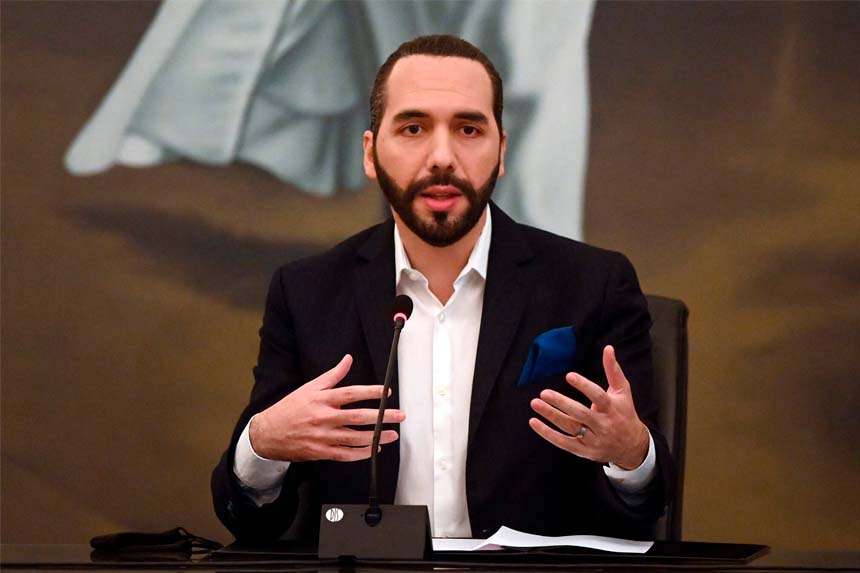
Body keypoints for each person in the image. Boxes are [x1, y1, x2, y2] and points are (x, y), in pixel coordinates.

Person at [212, 35, 672, 543]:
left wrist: (632, 455)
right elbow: (251, 520)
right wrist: (262, 446)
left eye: (468, 129)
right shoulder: (307, 292)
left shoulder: (592, 284)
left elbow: (647, 505)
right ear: (370, 153)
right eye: (413, 128)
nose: (442, 157)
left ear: (501, 151)